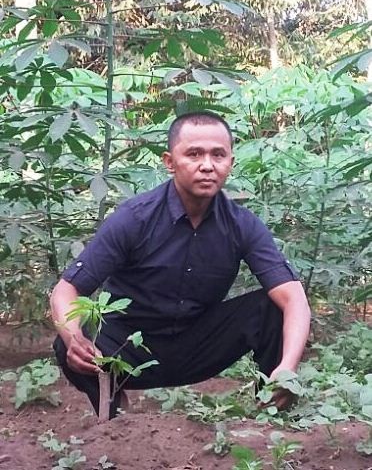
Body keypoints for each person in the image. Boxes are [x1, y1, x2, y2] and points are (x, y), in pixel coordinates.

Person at [51, 111, 311, 419]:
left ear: (230, 162)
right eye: (194, 154)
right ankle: (115, 417)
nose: (207, 165)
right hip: (130, 346)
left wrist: (287, 368)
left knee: (272, 307)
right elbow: (66, 290)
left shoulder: (243, 225)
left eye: (218, 155)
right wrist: (74, 339)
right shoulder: (134, 218)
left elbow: (295, 299)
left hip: (198, 344)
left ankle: (272, 412)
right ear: (169, 161)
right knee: (70, 341)